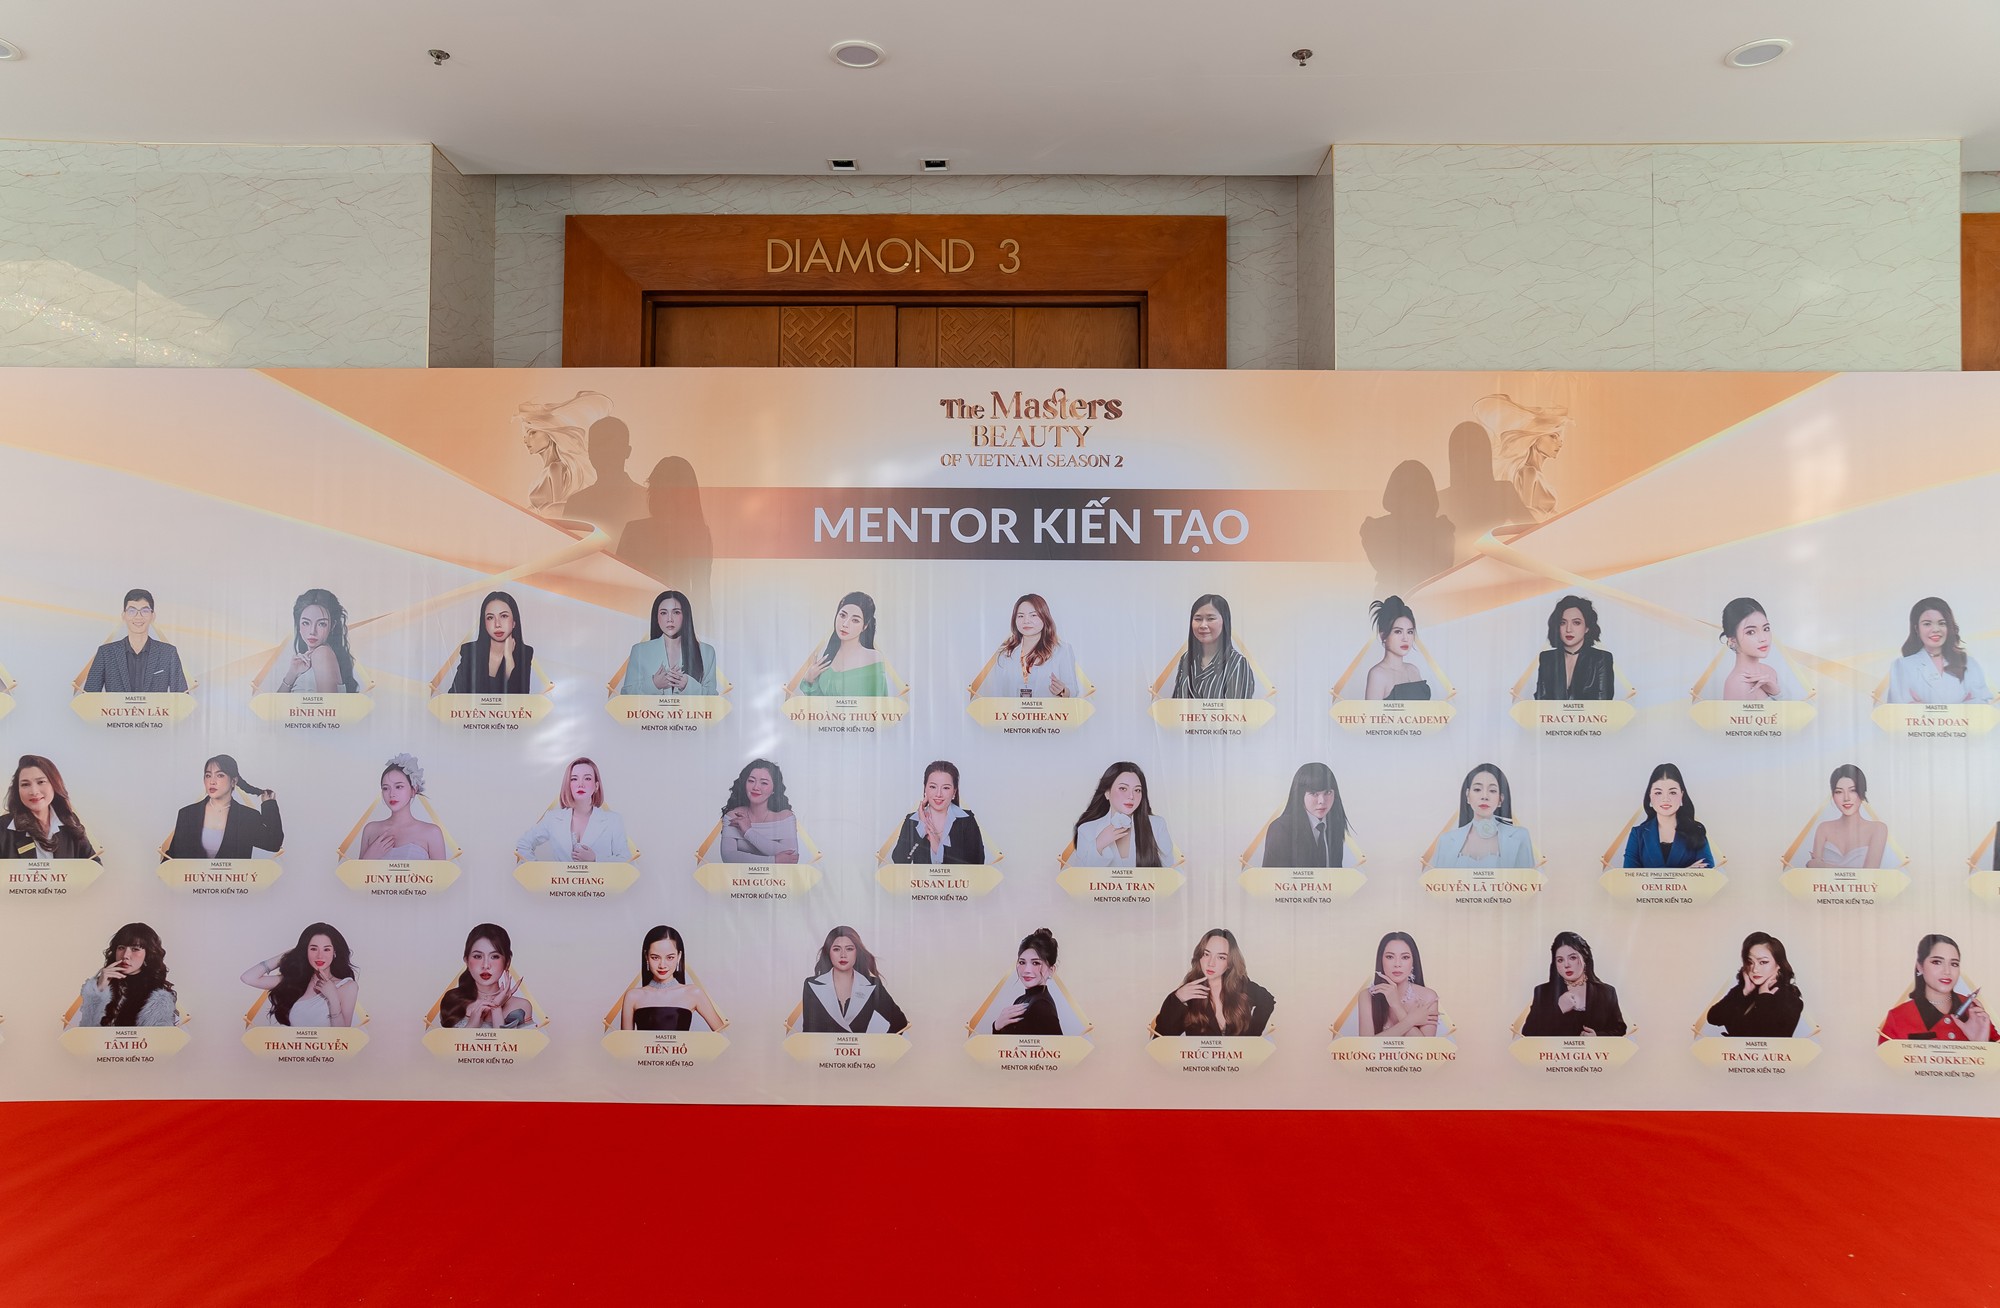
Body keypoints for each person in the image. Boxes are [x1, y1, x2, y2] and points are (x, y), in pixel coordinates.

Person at [615, 456, 714, 616]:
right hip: (663, 620)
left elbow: (701, 595)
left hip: (641, 618)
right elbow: (702, 595)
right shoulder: (699, 534)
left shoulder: (634, 530)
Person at [1154, 929, 1276, 1038]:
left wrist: (1252, 1036)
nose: (1211, 963)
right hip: (1200, 1057)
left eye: (1221, 957)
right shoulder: (1187, 994)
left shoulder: (1242, 986)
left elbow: (1268, 1000)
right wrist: (1177, 998)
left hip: (1239, 1057)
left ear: (1230, 963)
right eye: (1206, 954)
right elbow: (1161, 1041)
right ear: (1199, 956)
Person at [1438, 420, 1530, 559]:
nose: (1468, 458)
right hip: (1463, 567)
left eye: (1474, 450)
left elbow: (1531, 531)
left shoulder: (1504, 491)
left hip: (1487, 563)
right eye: (1462, 452)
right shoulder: (1441, 498)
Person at [1360, 460, 1454, 596]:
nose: (1412, 498)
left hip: (1429, 596)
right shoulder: (1375, 530)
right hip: (1392, 597)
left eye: (1418, 491)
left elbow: (1443, 567)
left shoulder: (1442, 529)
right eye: (1406, 491)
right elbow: (1385, 564)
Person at [1880, 934, 1996, 1043]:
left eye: (1954, 964)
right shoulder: (1898, 1017)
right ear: (1920, 966)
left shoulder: (1975, 1013)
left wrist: (1980, 1043)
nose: (1947, 971)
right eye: (1937, 962)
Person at [515, 757, 631, 863]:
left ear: (596, 786)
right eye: (574, 779)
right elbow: (523, 844)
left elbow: (627, 860)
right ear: (568, 785)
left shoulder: (613, 820)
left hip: (600, 880)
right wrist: (538, 871)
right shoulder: (552, 818)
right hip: (560, 880)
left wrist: (596, 859)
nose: (580, 784)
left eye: (587, 778)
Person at [240, 923, 357, 1028]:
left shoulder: (347, 986)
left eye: (326, 949)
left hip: (328, 1047)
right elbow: (248, 978)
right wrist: (291, 953)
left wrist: (333, 997)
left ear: (334, 952)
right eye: (313, 949)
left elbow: (343, 1037)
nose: (320, 956)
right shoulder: (295, 981)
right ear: (305, 951)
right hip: (293, 1046)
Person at [167, 755, 283, 860]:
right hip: (193, 878)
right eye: (208, 775)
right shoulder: (187, 814)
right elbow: (173, 856)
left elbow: (273, 843)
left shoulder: (248, 817)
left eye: (220, 775)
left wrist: (269, 804)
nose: (212, 781)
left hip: (235, 878)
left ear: (233, 781)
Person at [799, 926, 909, 1034]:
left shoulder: (872, 985)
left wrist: (879, 1043)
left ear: (857, 952)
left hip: (859, 1047)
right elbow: (808, 1034)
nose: (843, 955)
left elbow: (900, 1023)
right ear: (828, 952)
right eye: (836, 949)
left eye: (849, 949)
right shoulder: (812, 985)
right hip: (823, 1047)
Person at [516, 390, 610, 517]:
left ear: (549, 432)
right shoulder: (540, 476)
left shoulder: (556, 468)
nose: (525, 440)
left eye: (533, 433)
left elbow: (560, 511)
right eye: (524, 435)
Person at [1477, 393, 1567, 522]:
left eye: (1560, 438)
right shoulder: (1528, 472)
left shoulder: (1534, 473)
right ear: (1536, 437)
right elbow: (1523, 516)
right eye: (1552, 436)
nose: (1560, 443)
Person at [619, 926, 727, 1033]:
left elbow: (722, 1037)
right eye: (655, 957)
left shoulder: (694, 993)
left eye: (670, 957)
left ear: (679, 956)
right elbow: (624, 1043)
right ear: (646, 956)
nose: (662, 965)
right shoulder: (632, 996)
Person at [68, 923, 176, 1028]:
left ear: (148, 954)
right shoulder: (94, 989)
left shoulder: (161, 997)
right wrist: (99, 990)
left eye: (135, 949)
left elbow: (165, 1038)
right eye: (121, 948)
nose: (125, 955)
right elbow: (79, 1033)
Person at [1886, 597, 1991, 704]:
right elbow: (1900, 708)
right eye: (1927, 624)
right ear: (1917, 629)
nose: (1936, 629)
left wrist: (1923, 706)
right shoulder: (1902, 666)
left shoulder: (1969, 663)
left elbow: (1981, 705)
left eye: (1942, 623)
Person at [974, 593, 1080, 698]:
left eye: (1033, 615)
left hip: (1048, 710)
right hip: (1012, 709)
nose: (1026, 621)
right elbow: (995, 693)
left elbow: (1073, 691)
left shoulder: (1062, 650)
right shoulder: (1005, 653)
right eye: (1020, 616)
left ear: (1045, 617)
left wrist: (1062, 691)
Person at [82, 588, 188, 693]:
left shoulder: (168, 653)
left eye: (144, 611)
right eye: (132, 611)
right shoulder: (106, 653)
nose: (138, 617)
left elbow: (183, 698)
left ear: (153, 616)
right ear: (123, 616)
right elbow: (88, 698)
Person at [1521, 932, 1627, 1037]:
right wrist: (1558, 1010)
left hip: (1594, 1049)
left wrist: (1597, 1036)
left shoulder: (1607, 992)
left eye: (1572, 958)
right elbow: (1528, 1032)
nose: (1566, 965)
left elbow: (1620, 1029)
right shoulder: (1543, 992)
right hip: (1555, 1049)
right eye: (1560, 960)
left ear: (1585, 958)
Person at [1430, 763, 1535, 869]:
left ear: (1500, 799)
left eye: (1492, 790)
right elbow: (1435, 878)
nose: (1485, 796)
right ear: (1467, 795)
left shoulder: (1519, 836)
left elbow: (1530, 878)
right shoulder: (1446, 840)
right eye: (1477, 789)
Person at [1070, 761, 1172, 868]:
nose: (1131, 796)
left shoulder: (1157, 825)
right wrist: (1099, 844)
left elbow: (1172, 870)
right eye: (1123, 788)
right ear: (1107, 792)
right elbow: (1080, 876)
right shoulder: (1086, 830)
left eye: (1137, 790)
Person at [617, 589, 718, 696]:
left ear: (685, 616)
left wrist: (688, 685)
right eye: (663, 613)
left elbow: (713, 697)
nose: (670, 619)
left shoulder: (706, 652)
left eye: (676, 612)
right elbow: (626, 694)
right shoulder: (640, 651)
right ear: (657, 617)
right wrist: (654, 685)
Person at [1704, 932, 1804, 1038]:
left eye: (1763, 962)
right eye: (1750, 962)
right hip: (1733, 1049)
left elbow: (1766, 1037)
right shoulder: (1743, 991)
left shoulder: (1790, 1000)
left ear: (1778, 964)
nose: (1754, 969)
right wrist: (1744, 992)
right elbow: (1713, 1018)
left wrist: (1764, 997)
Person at [563, 415, 648, 539]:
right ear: (589, 452)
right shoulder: (576, 504)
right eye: (597, 444)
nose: (604, 451)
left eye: (611, 444)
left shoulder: (648, 501)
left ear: (627, 451)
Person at [261, 588, 358, 694]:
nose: (312, 631)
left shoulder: (322, 653)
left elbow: (328, 704)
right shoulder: (311, 658)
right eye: (306, 623)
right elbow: (278, 703)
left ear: (332, 626)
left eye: (321, 624)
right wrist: (292, 673)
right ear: (298, 624)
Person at [2, 754, 98, 861]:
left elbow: (94, 864)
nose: (34, 791)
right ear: (17, 790)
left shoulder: (70, 821)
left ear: (54, 784)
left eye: (41, 782)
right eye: (25, 784)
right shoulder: (3, 827)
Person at [792, 592, 889, 697]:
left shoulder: (873, 657)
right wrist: (809, 680)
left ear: (864, 626)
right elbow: (820, 703)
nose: (845, 624)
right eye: (842, 615)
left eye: (855, 620)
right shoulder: (825, 657)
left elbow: (881, 702)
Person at [438, 923, 534, 1029]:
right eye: (477, 956)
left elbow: (505, 1040)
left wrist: (496, 1008)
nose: (485, 965)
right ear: (466, 960)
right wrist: (472, 1025)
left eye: (494, 956)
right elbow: (445, 1041)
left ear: (507, 962)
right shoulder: (452, 1002)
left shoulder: (521, 1007)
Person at [890, 760, 986, 865]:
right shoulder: (912, 820)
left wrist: (936, 844)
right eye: (933, 787)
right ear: (925, 789)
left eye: (946, 788)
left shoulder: (967, 819)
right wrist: (922, 826)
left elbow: (977, 863)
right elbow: (899, 861)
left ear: (954, 792)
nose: (939, 794)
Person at [356, 755, 448, 861]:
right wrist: (368, 857)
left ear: (413, 790)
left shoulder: (432, 833)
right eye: (385, 788)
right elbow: (357, 872)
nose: (392, 794)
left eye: (399, 787)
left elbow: (442, 872)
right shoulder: (371, 830)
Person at [1621, 763, 1713, 869]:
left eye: (1672, 792)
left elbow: (1708, 874)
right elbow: (1629, 876)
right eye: (1658, 793)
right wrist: (1685, 873)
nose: (1665, 799)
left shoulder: (1696, 831)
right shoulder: (1637, 834)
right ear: (1650, 796)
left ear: (1682, 795)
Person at [1169, 594, 1258, 699]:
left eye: (1210, 619)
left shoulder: (1237, 664)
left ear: (1224, 621)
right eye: (1198, 619)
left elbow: (1237, 708)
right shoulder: (1186, 659)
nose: (1203, 625)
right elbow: (1176, 704)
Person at [1261, 762, 1348, 868]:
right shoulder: (1281, 829)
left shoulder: (1335, 824)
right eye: (1314, 794)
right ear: (1300, 795)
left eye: (1328, 792)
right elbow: (1272, 877)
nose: (1322, 801)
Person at [984, 928, 1067, 1037]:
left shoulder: (1041, 1005)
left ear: (1051, 970)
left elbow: (1057, 1047)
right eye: (1022, 962)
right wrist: (997, 1026)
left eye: (1036, 963)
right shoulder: (1020, 1000)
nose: (1027, 970)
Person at [447, 591, 534, 695]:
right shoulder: (470, 651)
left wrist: (509, 660)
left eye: (504, 616)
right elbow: (454, 695)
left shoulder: (525, 653)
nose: (497, 624)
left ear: (514, 622)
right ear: (484, 623)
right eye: (490, 618)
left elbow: (521, 699)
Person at [1804, 764, 1889, 870]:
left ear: (1862, 792)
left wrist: (1821, 865)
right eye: (1839, 792)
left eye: (1853, 790)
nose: (1846, 798)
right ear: (1833, 795)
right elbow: (1815, 875)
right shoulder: (1823, 828)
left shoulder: (1878, 829)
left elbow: (1870, 874)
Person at [1534, 594, 1615, 700]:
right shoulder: (1547, 658)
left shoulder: (1601, 658)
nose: (1568, 629)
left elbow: (1603, 702)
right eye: (1563, 623)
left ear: (1587, 627)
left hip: (1591, 712)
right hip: (1552, 712)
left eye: (1576, 623)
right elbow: (1541, 701)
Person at [716, 759, 798, 863]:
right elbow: (728, 857)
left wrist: (748, 832)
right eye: (751, 781)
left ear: (774, 789)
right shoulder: (733, 816)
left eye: (764, 783)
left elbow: (792, 857)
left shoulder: (785, 817)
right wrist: (773, 860)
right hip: (739, 875)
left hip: (778, 875)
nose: (755, 787)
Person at [1357, 932, 1439, 1037]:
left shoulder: (1428, 997)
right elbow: (1366, 1045)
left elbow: (1425, 1046)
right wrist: (1411, 1020)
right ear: (1381, 960)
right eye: (1390, 957)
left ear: (1413, 961)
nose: (1397, 964)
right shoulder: (1367, 996)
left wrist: (1396, 1006)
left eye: (1405, 957)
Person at [1715, 597, 1790, 701]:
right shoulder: (1739, 685)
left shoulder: (1769, 672)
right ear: (1733, 640)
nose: (1763, 638)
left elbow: (1792, 710)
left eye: (1766, 629)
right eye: (1751, 632)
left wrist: (1777, 693)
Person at [1361, 595, 1430, 700]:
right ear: (1383, 636)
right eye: (1398, 631)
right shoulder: (1378, 674)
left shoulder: (1413, 670)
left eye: (1410, 632)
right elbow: (1372, 711)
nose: (1405, 638)